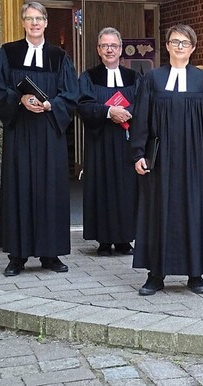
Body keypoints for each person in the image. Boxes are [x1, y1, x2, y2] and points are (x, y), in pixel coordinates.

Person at [131, 24, 203, 295]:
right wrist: (138, 153)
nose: (179, 47)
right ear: (167, 46)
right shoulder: (153, 78)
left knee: (194, 212)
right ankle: (155, 275)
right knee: (158, 213)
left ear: (193, 48)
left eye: (185, 43)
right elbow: (141, 118)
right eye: (175, 42)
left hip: (196, 159)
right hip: (161, 160)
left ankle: (195, 274)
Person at [0, 1, 79, 276]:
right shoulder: (8, 53)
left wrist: (52, 105)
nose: (35, 23)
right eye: (29, 18)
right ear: (23, 22)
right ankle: (17, 256)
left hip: (50, 134)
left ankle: (50, 255)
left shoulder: (59, 56)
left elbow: (71, 94)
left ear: (46, 22)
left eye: (39, 18)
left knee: (50, 191)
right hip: (21, 134)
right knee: (20, 189)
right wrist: (20, 99)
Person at [78, 27, 140, 256]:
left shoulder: (134, 77)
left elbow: (144, 103)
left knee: (126, 189)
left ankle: (125, 239)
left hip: (126, 142)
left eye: (113, 45)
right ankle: (103, 240)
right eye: (105, 46)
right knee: (101, 188)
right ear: (98, 50)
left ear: (121, 49)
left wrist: (128, 113)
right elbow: (82, 105)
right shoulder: (88, 77)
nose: (109, 50)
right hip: (100, 142)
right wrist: (108, 112)